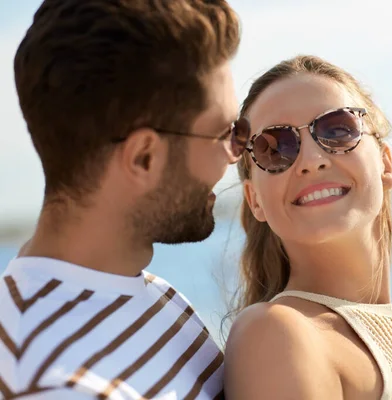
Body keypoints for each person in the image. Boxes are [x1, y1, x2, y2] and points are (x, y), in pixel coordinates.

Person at [0, 1, 249, 399]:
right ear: (143, 157)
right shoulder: (56, 386)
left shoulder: (151, 293)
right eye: (225, 134)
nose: (237, 153)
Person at [224, 55, 392, 400]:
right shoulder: (278, 333)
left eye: (337, 129)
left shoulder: (388, 338)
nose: (312, 160)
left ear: (385, 163)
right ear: (254, 198)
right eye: (275, 148)